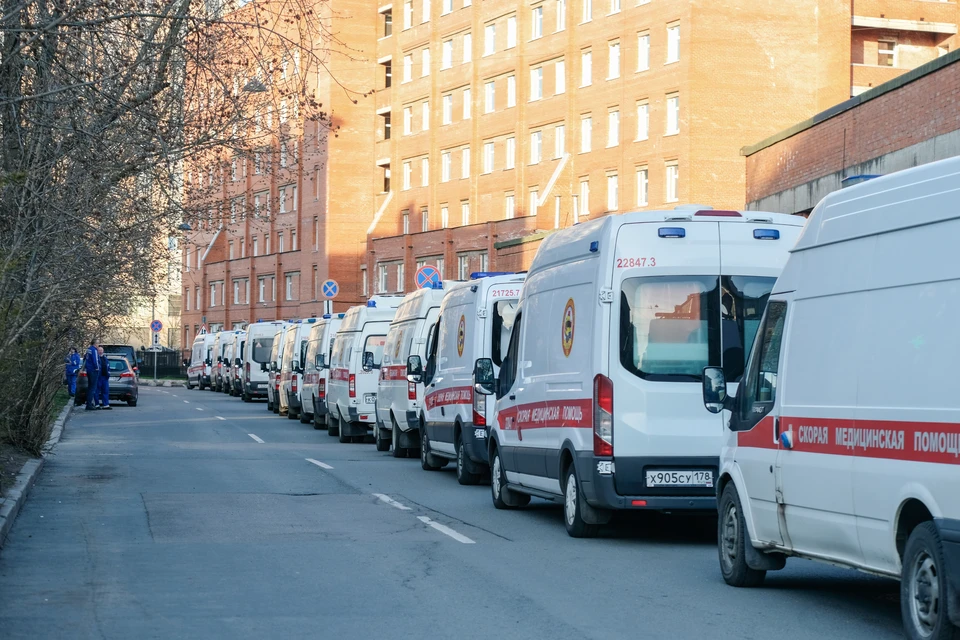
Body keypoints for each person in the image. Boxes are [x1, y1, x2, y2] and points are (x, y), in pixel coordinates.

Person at [84, 340, 100, 410]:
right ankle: (89, 404)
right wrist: (97, 368)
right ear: (95, 343)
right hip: (94, 370)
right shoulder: (94, 350)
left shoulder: (88, 350)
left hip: (89, 370)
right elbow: (95, 360)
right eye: (97, 343)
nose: (98, 345)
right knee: (92, 388)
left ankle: (89, 403)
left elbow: (85, 358)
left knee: (90, 387)